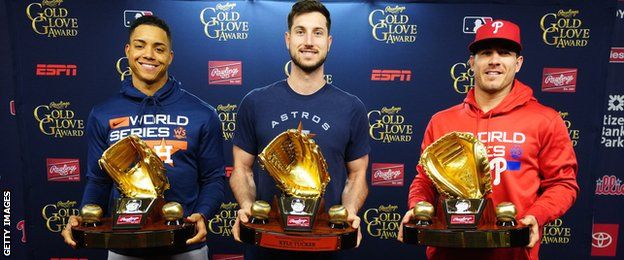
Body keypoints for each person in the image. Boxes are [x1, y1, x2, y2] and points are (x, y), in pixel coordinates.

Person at [398, 20, 578, 260]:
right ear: (472, 63)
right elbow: (424, 180)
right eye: (486, 53)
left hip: (513, 253)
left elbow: (563, 184)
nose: (494, 60)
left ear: (518, 63)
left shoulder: (545, 119)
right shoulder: (441, 121)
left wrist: (537, 215)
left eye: (504, 53)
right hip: (448, 252)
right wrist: (417, 207)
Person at [60, 15, 226, 259]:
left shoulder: (203, 114)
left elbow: (213, 179)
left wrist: (201, 214)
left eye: (159, 49)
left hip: (184, 244)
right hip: (123, 246)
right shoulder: (103, 113)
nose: (149, 54)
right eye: (140, 46)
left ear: (169, 57)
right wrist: (84, 216)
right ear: (128, 51)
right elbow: (98, 180)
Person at [229, 0, 370, 258]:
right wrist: (248, 206)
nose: (308, 41)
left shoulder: (352, 107)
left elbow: (357, 175)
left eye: (318, 32)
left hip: (327, 244)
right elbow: (242, 169)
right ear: (287, 39)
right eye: (300, 31)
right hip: (266, 244)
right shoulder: (255, 102)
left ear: (329, 41)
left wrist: (349, 210)